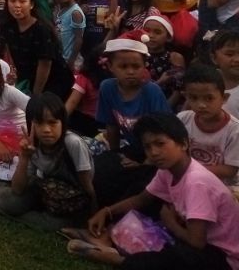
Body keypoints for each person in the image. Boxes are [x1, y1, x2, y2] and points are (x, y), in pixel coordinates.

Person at [67, 113, 239, 269]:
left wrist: (170, 222)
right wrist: (107, 212)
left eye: (160, 143)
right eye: (148, 147)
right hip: (193, 235)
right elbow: (141, 199)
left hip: (223, 257)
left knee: (181, 257)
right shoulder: (168, 171)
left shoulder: (197, 182)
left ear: (184, 144)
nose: (154, 152)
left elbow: (197, 243)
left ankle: (119, 260)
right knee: (145, 193)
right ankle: (108, 236)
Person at [0, 93, 96, 224]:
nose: (46, 130)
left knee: (52, 223)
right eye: (39, 123)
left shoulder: (73, 143)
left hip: (71, 198)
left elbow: (87, 183)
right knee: (11, 202)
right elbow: (18, 189)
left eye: (52, 123)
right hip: (46, 189)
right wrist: (24, 157)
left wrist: (93, 211)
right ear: (31, 124)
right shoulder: (32, 144)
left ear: (63, 122)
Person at [93, 38, 171, 206]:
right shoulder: (107, 88)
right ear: (111, 67)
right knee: (101, 168)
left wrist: (146, 163)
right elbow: (111, 125)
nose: (130, 72)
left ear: (144, 67)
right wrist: (116, 155)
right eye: (123, 67)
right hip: (133, 148)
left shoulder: (151, 92)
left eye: (136, 67)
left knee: (142, 182)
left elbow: (163, 132)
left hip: (158, 151)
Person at [0, 0, 74, 99]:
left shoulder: (41, 29)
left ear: (31, 4)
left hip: (54, 81)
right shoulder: (7, 27)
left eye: (22, 1)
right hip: (27, 80)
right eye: (12, 1)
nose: (17, 5)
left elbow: (45, 64)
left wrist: (36, 95)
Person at [177, 63, 239, 186]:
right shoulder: (182, 120)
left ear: (224, 98)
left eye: (209, 98)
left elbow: (230, 170)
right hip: (186, 181)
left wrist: (190, 171)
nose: (201, 105)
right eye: (194, 98)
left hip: (222, 186)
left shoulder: (234, 130)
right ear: (186, 97)